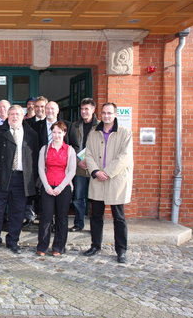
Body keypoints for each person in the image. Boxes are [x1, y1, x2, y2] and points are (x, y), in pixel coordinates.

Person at [0, 105, 39, 254]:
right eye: (12, 114)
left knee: (17, 213)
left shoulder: (31, 134)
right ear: (7, 116)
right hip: (0, 178)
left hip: (21, 179)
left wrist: (33, 180)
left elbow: (34, 159)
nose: (14, 117)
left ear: (23, 116)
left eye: (17, 114)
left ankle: (13, 241)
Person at [83, 102, 133, 264]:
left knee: (119, 217)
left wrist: (108, 172)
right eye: (104, 113)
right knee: (96, 215)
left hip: (115, 180)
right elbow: (88, 154)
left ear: (115, 114)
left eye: (109, 113)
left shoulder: (124, 132)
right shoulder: (93, 133)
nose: (106, 116)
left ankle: (121, 250)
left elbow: (124, 156)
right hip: (98, 178)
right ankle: (95, 245)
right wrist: (96, 171)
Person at [36, 121, 77, 256]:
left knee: (61, 218)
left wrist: (60, 187)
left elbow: (72, 171)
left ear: (64, 133)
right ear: (51, 133)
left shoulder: (70, 150)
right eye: (54, 132)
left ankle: (58, 247)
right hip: (47, 186)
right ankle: (42, 246)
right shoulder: (45, 149)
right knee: (46, 217)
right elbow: (41, 169)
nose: (57, 135)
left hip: (63, 187)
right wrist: (47, 186)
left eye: (60, 132)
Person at [69, 98, 99, 232]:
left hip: (95, 169)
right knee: (78, 198)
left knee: (96, 199)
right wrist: (77, 160)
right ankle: (79, 224)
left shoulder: (100, 126)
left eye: (87, 109)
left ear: (93, 110)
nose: (84, 111)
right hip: (79, 168)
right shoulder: (74, 126)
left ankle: (95, 226)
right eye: (82, 109)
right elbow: (71, 146)